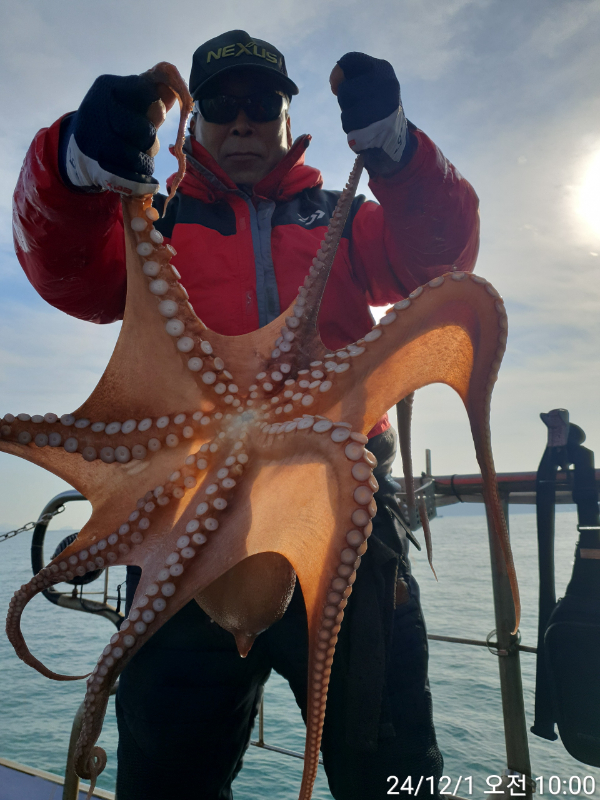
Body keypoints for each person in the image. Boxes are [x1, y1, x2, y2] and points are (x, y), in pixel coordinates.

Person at [13, 30, 479, 800]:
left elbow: (440, 257)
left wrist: (398, 152)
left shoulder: (344, 219)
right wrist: (68, 165)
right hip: (184, 527)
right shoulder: (156, 222)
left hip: (346, 523)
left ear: (286, 118)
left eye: (261, 104)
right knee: (169, 778)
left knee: (391, 768)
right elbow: (64, 269)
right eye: (221, 106)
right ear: (194, 122)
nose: (241, 122)